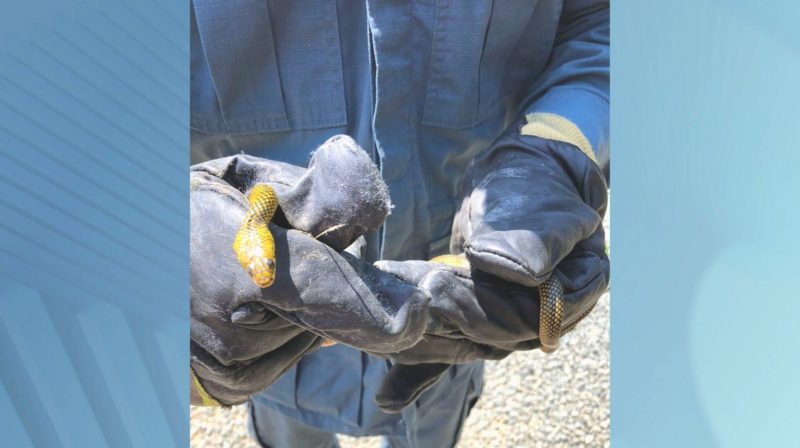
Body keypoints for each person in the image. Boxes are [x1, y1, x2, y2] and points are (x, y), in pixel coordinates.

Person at [189, 1, 609, 447]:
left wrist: (557, 148)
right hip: (261, 346)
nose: (263, 264)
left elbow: (603, 22)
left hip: (453, 322)